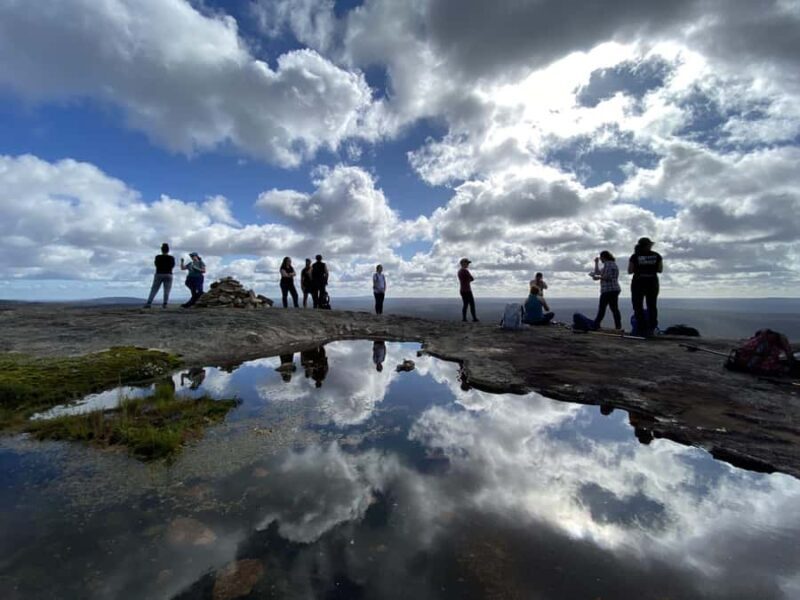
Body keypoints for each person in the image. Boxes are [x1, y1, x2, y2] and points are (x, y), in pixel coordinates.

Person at [628, 237, 662, 335]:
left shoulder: (634, 256)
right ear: (648, 245)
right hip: (652, 282)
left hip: (638, 282)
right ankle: (651, 328)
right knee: (652, 305)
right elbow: (660, 270)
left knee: (637, 305)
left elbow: (630, 271)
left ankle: (641, 328)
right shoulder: (657, 256)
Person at [591, 250, 622, 330]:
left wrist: (598, 277)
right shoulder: (611, 264)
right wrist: (596, 263)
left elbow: (607, 277)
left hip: (608, 290)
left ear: (603, 257)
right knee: (614, 308)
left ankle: (596, 325)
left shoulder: (608, 265)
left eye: (601, 258)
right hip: (614, 289)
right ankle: (618, 326)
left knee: (602, 308)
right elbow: (598, 272)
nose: (600, 259)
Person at [143, 243, 175, 308]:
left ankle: (149, 303)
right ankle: (165, 304)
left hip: (159, 273)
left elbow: (156, 264)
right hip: (168, 274)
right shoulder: (171, 258)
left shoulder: (157, 257)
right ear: (168, 250)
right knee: (167, 290)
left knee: (154, 289)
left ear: (161, 250)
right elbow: (172, 266)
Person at [458, 258, 478, 322]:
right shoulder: (465, 270)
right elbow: (472, 278)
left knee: (465, 304)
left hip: (462, 290)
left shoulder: (459, 271)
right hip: (467, 290)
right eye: (467, 263)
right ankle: (474, 318)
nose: (468, 264)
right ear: (463, 263)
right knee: (472, 304)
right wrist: (468, 280)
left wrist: (467, 280)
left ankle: (464, 318)